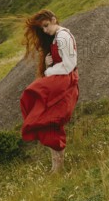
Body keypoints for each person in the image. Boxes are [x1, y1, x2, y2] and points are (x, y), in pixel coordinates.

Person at [19, 9, 79, 173]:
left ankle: (57, 168)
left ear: (54, 20)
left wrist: (47, 71)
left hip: (63, 81)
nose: (45, 31)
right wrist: (47, 64)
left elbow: (69, 64)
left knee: (32, 97)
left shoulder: (63, 36)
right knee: (48, 121)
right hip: (61, 79)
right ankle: (56, 167)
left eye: (46, 26)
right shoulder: (57, 37)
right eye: (42, 29)